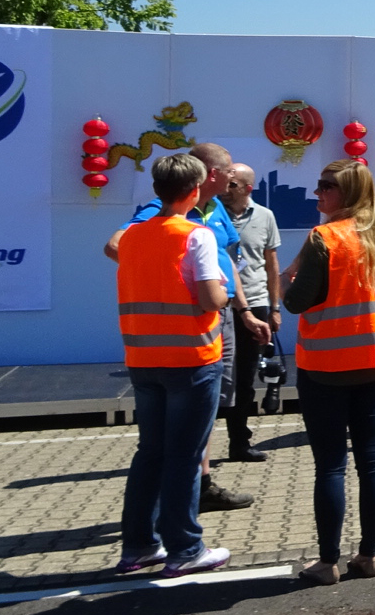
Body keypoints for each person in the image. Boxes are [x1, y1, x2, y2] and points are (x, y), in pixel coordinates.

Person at [103, 143, 261, 511]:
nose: (232, 177)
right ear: (208, 174)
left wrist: (246, 310)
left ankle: (197, 489)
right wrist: (178, 282)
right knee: (178, 430)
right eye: (227, 171)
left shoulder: (216, 208)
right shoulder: (160, 211)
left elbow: (227, 264)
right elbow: (115, 247)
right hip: (190, 330)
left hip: (219, 320)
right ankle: (183, 517)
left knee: (212, 406)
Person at [282, 159, 375, 586]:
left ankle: (327, 561)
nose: (318, 194)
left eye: (326, 187)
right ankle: (369, 556)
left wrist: (283, 281)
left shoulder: (325, 239)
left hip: (326, 367)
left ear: (349, 193)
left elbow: (297, 301)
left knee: (331, 467)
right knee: (372, 461)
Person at [113, 153, 232, 578]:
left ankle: (139, 546)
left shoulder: (131, 237)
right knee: (185, 455)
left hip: (143, 358)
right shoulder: (195, 235)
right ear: (196, 191)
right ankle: (185, 547)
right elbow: (209, 298)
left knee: (150, 452)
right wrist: (224, 293)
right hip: (191, 357)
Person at [219, 163, 281, 461]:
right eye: (225, 183)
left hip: (254, 303)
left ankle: (239, 441)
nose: (226, 190)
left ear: (247, 188)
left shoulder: (265, 216)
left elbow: (271, 265)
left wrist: (275, 307)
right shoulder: (210, 214)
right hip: (219, 303)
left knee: (244, 377)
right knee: (218, 376)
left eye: (233, 185)